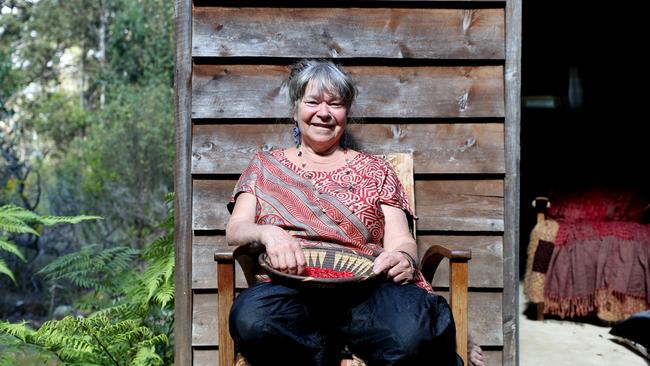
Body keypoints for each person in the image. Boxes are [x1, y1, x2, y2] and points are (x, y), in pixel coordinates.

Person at [226, 59, 484, 366]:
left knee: (413, 332)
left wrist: (403, 258)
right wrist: (268, 233)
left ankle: (341, 343)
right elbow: (236, 228)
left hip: (369, 290)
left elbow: (402, 240)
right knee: (252, 320)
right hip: (291, 288)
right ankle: (335, 349)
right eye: (312, 102)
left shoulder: (377, 170)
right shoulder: (265, 165)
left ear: (346, 112)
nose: (324, 113)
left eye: (335, 104)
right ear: (295, 109)